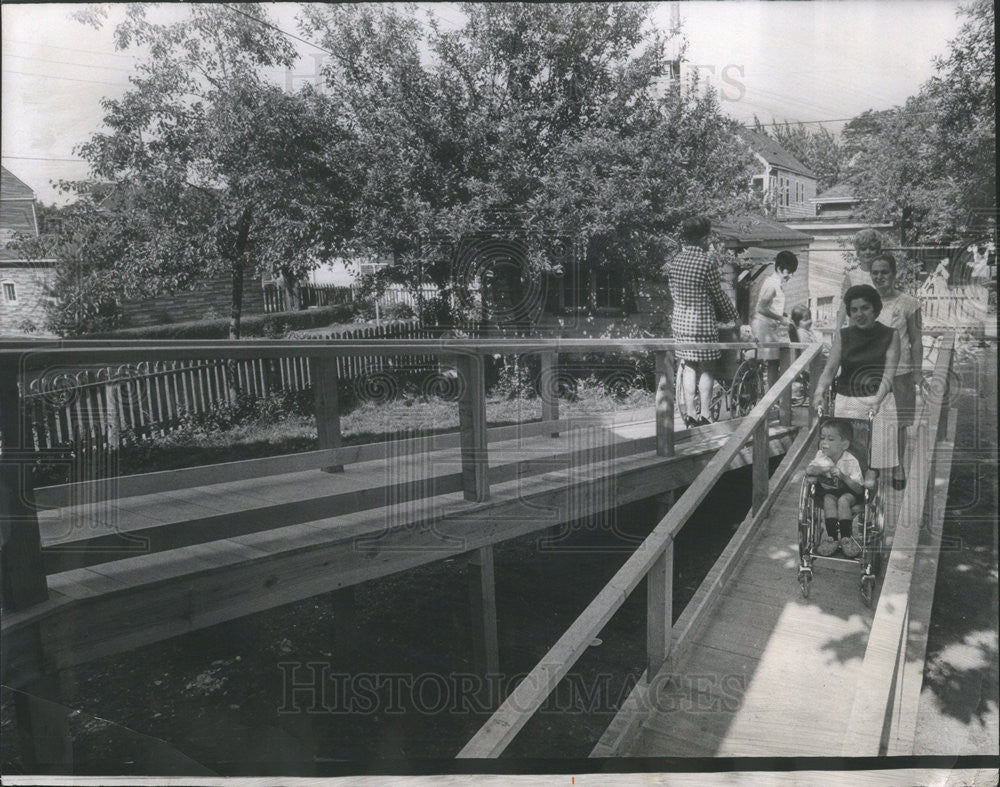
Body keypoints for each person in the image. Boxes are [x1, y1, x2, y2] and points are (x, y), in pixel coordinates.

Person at [812, 284, 900, 474]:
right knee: (846, 458)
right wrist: (819, 391)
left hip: (878, 402)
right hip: (847, 402)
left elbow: (888, 374)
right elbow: (830, 368)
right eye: (854, 310)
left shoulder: (891, 335)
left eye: (865, 308)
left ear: (875, 309)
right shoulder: (843, 335)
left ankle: (871, 497)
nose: (859, 314)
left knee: (875, 464)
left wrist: (877, 400)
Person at [665, 215, 743, 427]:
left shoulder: (675, 263)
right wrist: (734, 318)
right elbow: (718, 295)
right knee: (707, 368)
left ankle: (690, 413)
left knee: (689, 366)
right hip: (702, 323)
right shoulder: (707, 261)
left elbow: (673, 293)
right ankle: (706, 414)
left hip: (681, 324)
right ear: (704, 238)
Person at [869, 252, 922, 490]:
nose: (880, 277)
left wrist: (918, 372)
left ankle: (898, 466)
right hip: (871, 371)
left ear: (894, 274)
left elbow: (917, 340)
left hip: (901, 372)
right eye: (875, 273)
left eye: (884, 272)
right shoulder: (866, 302)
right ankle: (872, 465)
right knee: (872, 419)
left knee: (899, 421)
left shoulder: (910, 303)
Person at [806, 419, 865, 558]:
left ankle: (846, 538)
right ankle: (832, 537)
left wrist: (843, 476)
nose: (824, 442)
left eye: (830, 439)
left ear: (843, 445)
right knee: (828, 499)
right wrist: (823, 468)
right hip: (829, 491)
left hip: (850, 492)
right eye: (822, 438)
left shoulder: (851, 461)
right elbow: (809, 469)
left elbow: (858, 489)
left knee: (843, 500)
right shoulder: (821, 456)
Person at [836, 228, 883, 327]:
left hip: (879, 328)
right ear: (858, 252)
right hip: (856, 328)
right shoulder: (851, 276)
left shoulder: (883, 275)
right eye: (863, 249)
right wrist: (838, 329)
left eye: (872, 248)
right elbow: (844, 305)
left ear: (878, 251)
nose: (867, 252)